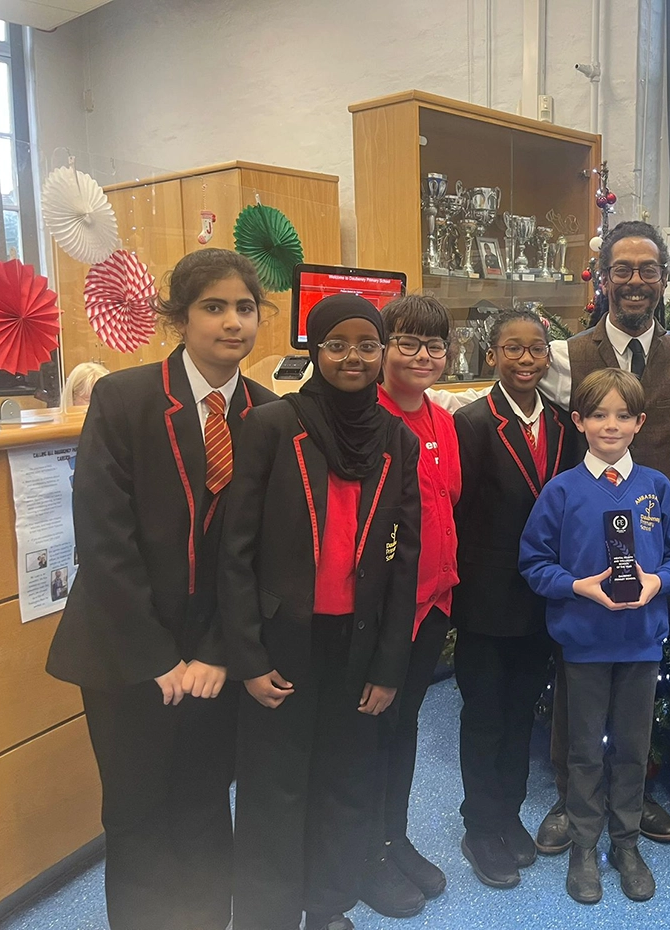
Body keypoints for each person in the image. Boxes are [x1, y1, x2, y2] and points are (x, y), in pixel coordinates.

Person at [430, 220, 670, 850]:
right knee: (572, 674)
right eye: (622, 269)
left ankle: (640, 796)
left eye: (649, 269)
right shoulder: (559, 356)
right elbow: (498, 392)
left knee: (651, 674)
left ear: (665, 278)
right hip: (583, 542)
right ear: (602, 278)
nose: (635, 281)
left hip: (659, 538)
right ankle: (570, 798)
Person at [45, 249, 277, 930]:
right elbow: (103, 537)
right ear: (178, 317)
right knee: (138, 810)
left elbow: (263, 551)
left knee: (206, 802)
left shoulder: (267, 414)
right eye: (213, 307)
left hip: (215, 658)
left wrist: (214, 652)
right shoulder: (125, 397)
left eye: (244, 308)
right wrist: (158, 657)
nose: (232, 322)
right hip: (125, 652)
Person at [219, 294, 421, 930]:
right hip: (282, 645)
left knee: (344, 784)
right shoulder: (275, 426)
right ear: (314, 349)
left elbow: (404, 565)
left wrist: (390, 667)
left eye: (367, 344)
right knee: (275, 790)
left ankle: (326, 905)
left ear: (383, 350)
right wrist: (248, 658)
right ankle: (269, 916)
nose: (353, 357)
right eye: (337, 345)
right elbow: (236, 552)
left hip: (357, 647)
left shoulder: (398, 440)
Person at [520, 368, 670, 904]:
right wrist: (578, 587)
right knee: (583, 751)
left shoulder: (656, 489)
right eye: (598, 414)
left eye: (623, 415)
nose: (611, 425)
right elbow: (534, 564)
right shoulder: (562, 491)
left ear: (640, 423)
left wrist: (656, 581)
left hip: (641, 644)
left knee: (631, 747)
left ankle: (625, 843)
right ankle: (582, 844)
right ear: (580, 421)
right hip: (584, 645)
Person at [451, 308, 581, 889]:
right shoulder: (473, 423)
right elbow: (457, 513)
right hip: (486, 595)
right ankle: (479, 824)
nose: (525, 359)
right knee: (484, 714)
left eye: (536, 349)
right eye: (512, 348)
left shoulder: (563, 424)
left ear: (548, 357)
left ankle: (508, 815)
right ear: (492, 355)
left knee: (521, 709)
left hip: (542, 599)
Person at [363, 294, 461, 919]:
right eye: (407, 342)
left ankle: (394, 836)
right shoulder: (363, 421)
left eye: (434, 345)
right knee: (371, 733)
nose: (422, 356)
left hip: (435, 604)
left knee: (405, 729)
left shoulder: (443, 422)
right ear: (382, 349)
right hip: (380, 612)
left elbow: (447, 502)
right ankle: (364, 852)